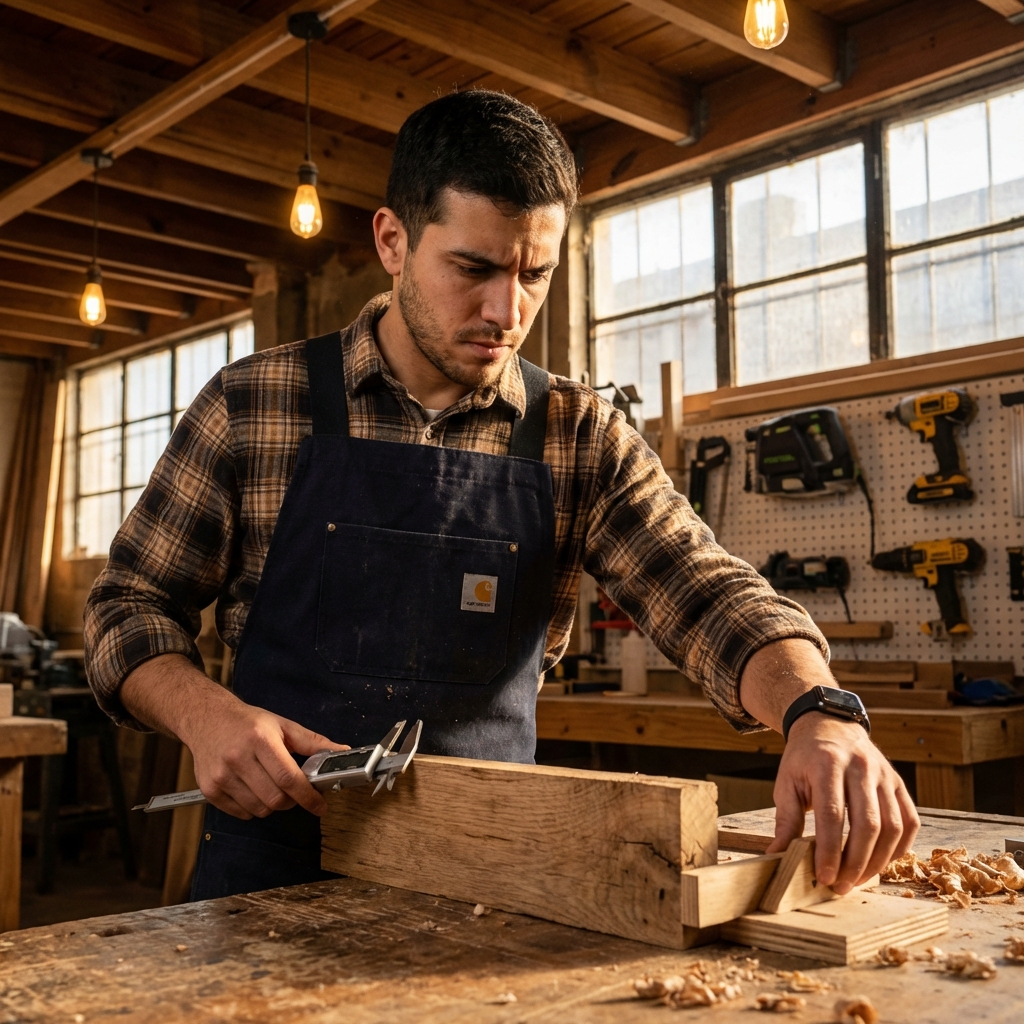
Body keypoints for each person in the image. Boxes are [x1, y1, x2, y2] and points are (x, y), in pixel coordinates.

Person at [84, 90, 918, 901]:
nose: (505, 311)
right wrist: (206, 716)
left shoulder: (578, 433)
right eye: (473, 268)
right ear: (392, 240)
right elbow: (128, 607)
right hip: (272, 868)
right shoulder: (255, 404)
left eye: (535, 274)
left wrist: (820, 708)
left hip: (494, 879)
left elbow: (703, 590)